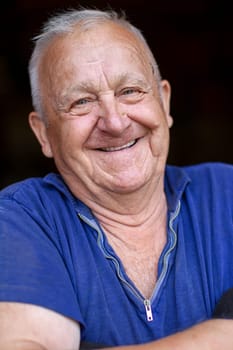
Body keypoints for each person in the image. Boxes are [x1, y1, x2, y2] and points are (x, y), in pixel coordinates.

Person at [0, 7, 232, 350]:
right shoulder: (22, 218)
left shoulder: (226, 194)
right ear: (43, 133)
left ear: (164, 102)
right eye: (82, 101)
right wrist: (219, 337)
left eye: (131, 91)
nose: (115, 121)